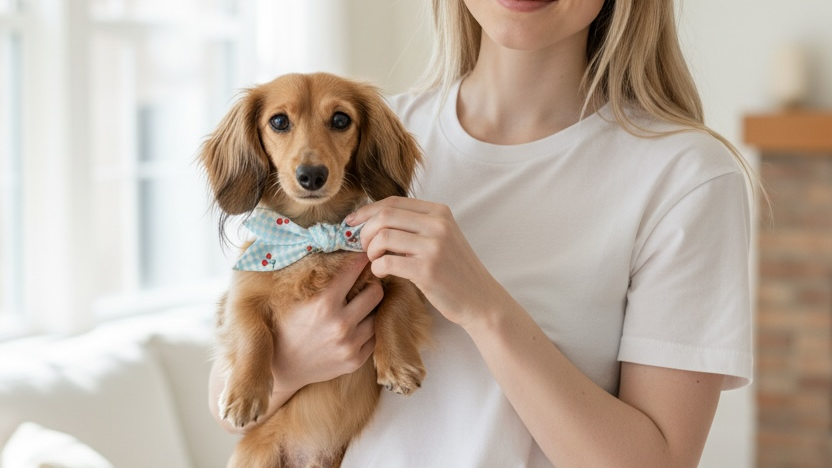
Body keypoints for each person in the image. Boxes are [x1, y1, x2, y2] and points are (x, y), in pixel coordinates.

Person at [209, 0, 756, 466]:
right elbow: (227, 405)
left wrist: (483, 307)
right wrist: (295, 360)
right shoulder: (371, 144)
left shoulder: (686, 177)